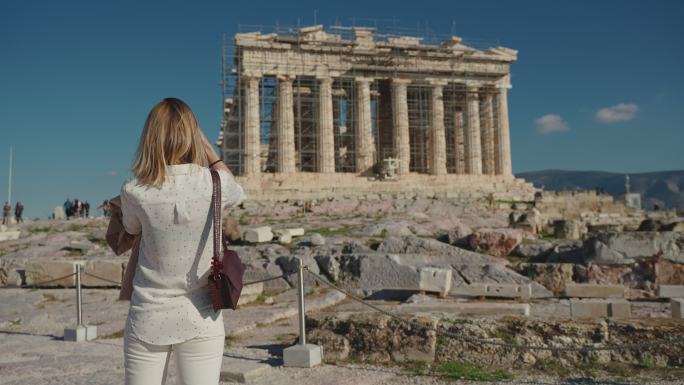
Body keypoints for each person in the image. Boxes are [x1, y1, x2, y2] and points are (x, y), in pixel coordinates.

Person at [120, 98, 245, 385]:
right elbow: (236, 189)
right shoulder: (215, 183)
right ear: (193, 137)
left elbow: (129, 227)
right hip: (201, 316)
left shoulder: (134, 191)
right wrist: (210, 151)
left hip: (147, 316)